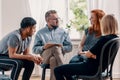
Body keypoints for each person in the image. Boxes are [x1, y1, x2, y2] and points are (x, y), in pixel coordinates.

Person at [54, 14, 119, 80]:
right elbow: (103, 56)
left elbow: (88, 54)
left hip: (90, 68)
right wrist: (94, 56)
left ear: (105, 25)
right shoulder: (115, 39)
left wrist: (91, 55)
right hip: (100, 68)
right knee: (67, 71)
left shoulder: (104, 39)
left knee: (57, 70)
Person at [32, 10, 72, 80]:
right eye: (55, 19)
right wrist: (44, 47)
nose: (57, 21)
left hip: (58, 57)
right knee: (55, 48)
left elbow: (70, 47)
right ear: (47, 20)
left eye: (58, 18)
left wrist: (61, 48)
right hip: (45, 58)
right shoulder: (40, 33)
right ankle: (67, 74)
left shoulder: (63, 32)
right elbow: (34, 50)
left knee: (53, 59)